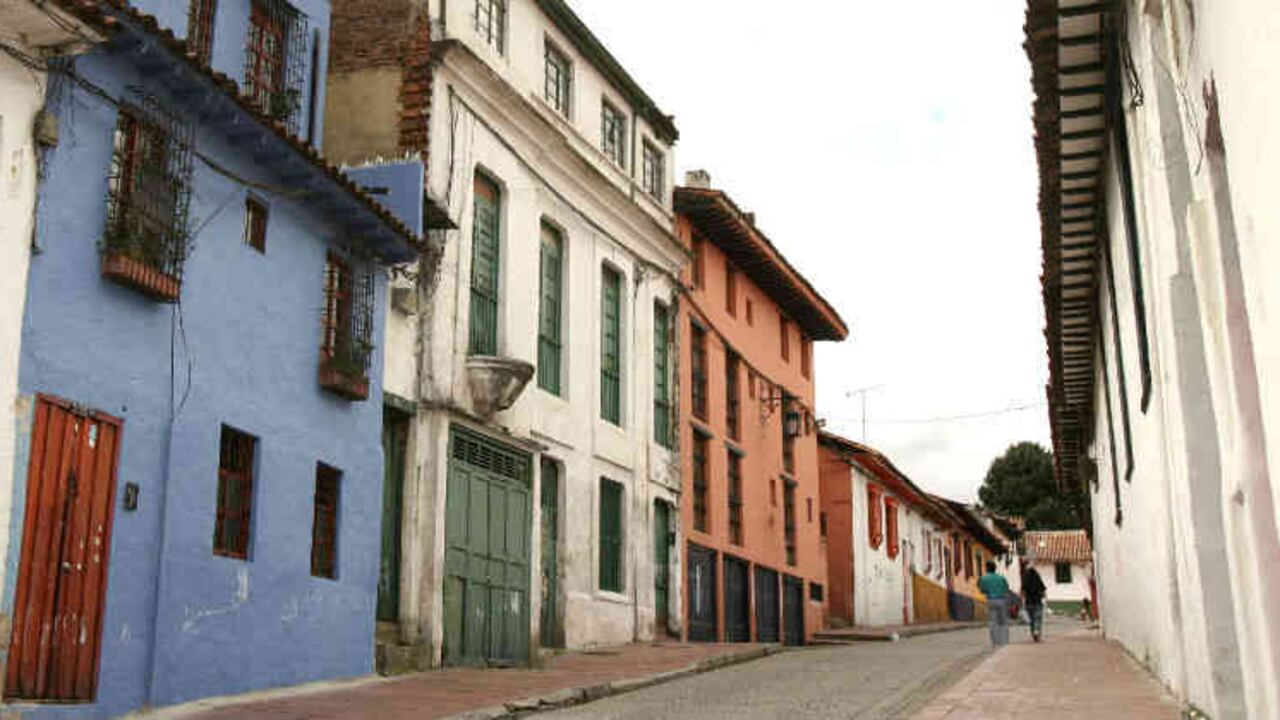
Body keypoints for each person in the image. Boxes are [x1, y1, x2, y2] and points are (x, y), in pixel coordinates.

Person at [977, 561, 1010, 647]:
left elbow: (982, 590)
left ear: (987, 568)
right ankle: (1004, 641)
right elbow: (1006, 589)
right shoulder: (1001, 578)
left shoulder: (983, 578)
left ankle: (995, 642)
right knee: (1003, 621)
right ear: (995, 568)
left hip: (991, 600)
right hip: (1001, 600)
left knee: (993, 621)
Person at [1022, 565, 1047, 642]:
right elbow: (1043, 591)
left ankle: (1034, 634)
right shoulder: (1038, 580)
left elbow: (1022, 592)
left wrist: (1023, 600)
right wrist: (1045, 599)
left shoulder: (1025, 581)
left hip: (1028, 603)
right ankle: (1037, 631)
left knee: (1032, 620)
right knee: (1038, 619)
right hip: (1037, 602)